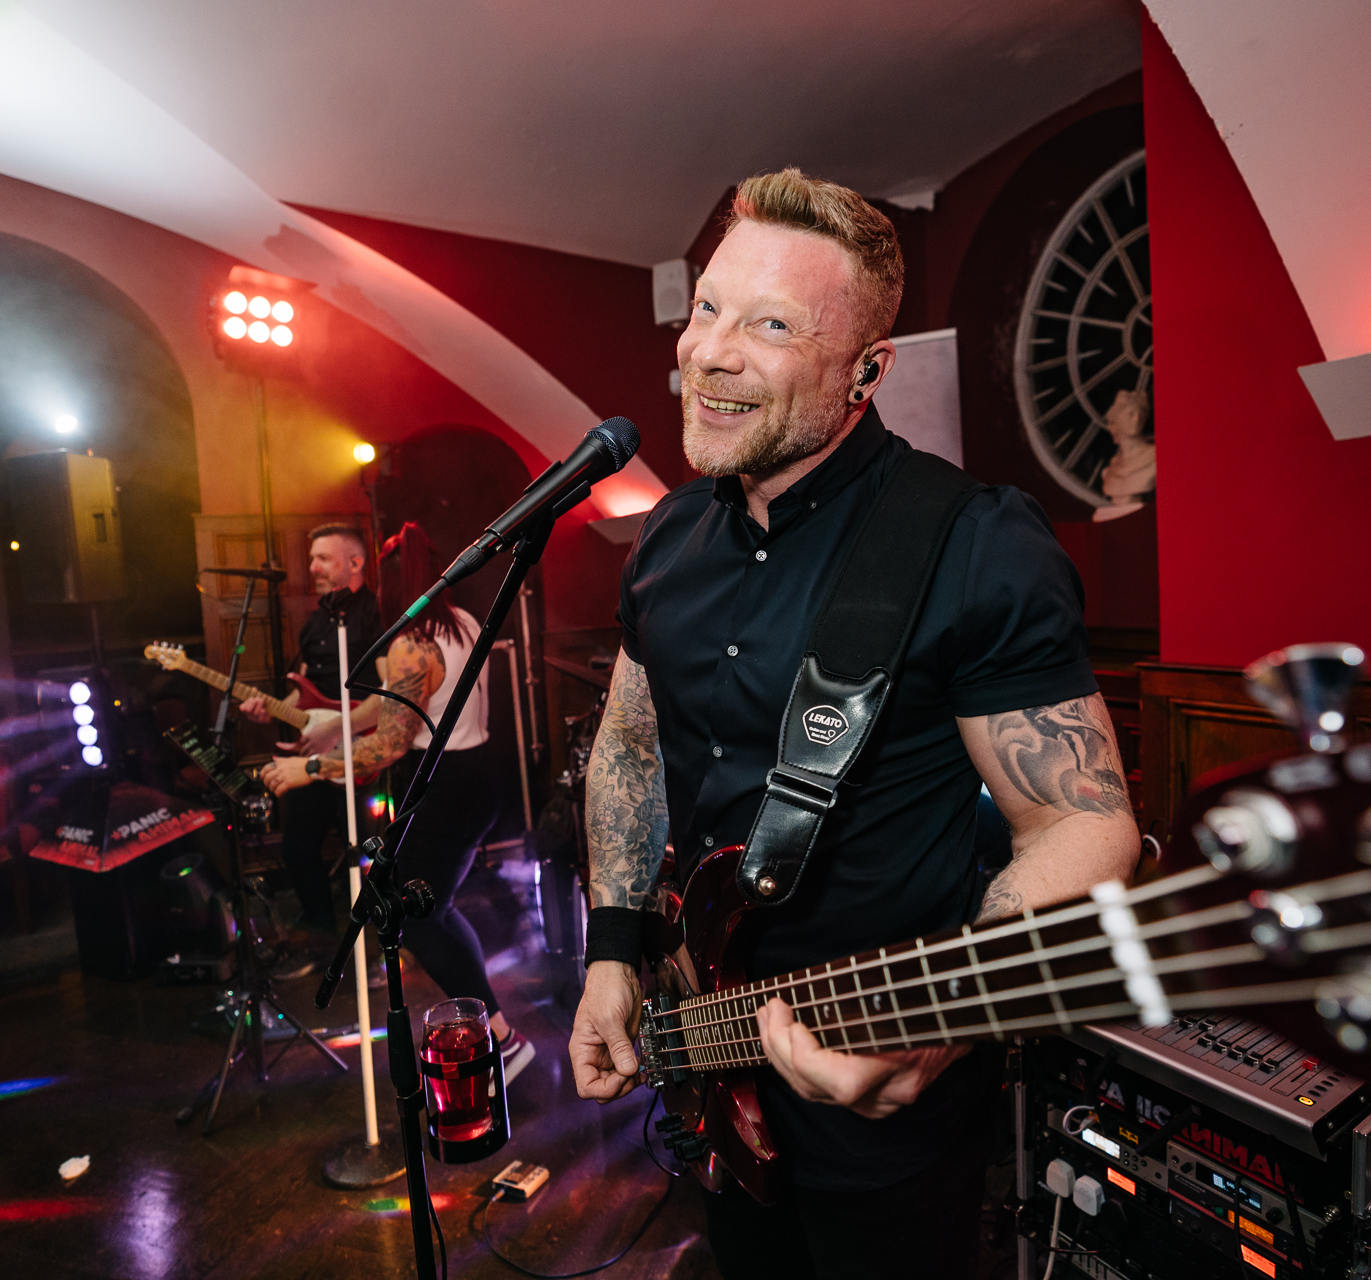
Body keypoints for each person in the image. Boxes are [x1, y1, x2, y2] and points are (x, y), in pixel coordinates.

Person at [568, 169, 1141, 1278]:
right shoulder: (666, 537)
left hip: (882, 1089)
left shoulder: (974, 544)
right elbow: (632, 744)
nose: (710, 352)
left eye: (772, 325)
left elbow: (1086, 824)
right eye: (709, 309)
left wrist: (950, 1014)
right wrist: (616, 947)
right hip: (710, 1047)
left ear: (868, 371)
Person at [260, 522, 535, 1083]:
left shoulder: (411, 643)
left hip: (447, 788)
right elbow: (401, 711)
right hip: (474, 775)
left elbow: (388, 743)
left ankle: (504, 1041)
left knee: (419, 915)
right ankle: (496, 1030)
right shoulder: (459, 622)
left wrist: (307, 767)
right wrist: (336, 725)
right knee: (430, 906)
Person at [240, 523, 387, 979]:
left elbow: (390, 696)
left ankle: (382, 955)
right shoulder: (315, 622)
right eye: (313, 558)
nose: (312, 567)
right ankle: (322, 944)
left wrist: (338, 728)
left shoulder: (375, 616)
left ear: (355, 563)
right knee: (298, 847)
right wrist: (270, 710)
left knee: (371, 854)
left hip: (361, 753)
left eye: (323, 558)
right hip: (314, 758)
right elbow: (301, 696)